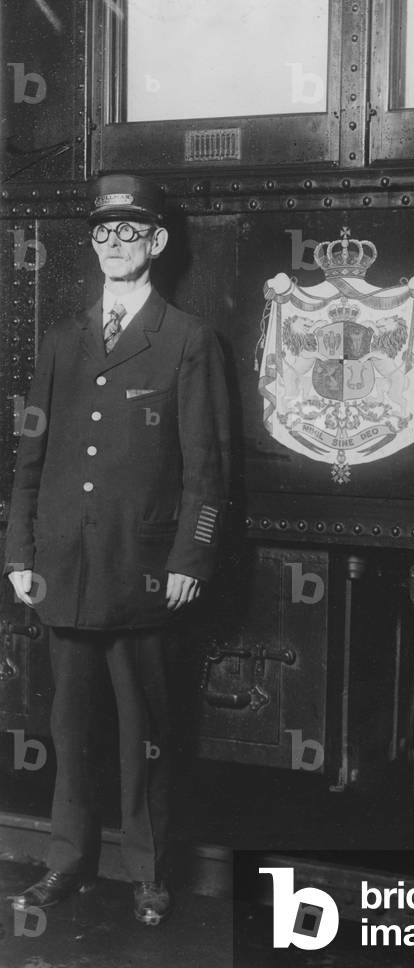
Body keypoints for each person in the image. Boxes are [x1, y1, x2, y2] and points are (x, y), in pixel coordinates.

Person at [4, 173, 230, 925]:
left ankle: (151, 874)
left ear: (158, 244)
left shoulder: (188, 340)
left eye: (130, 233)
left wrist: (189, 562)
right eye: (104, 233)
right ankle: (66, 863)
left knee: (147, 738)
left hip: (143, 576)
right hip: (65, 569)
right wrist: (19, 553)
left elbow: (207, 471)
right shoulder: (64, 339)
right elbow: (29, 456)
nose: (115, 245)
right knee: (69, 731)